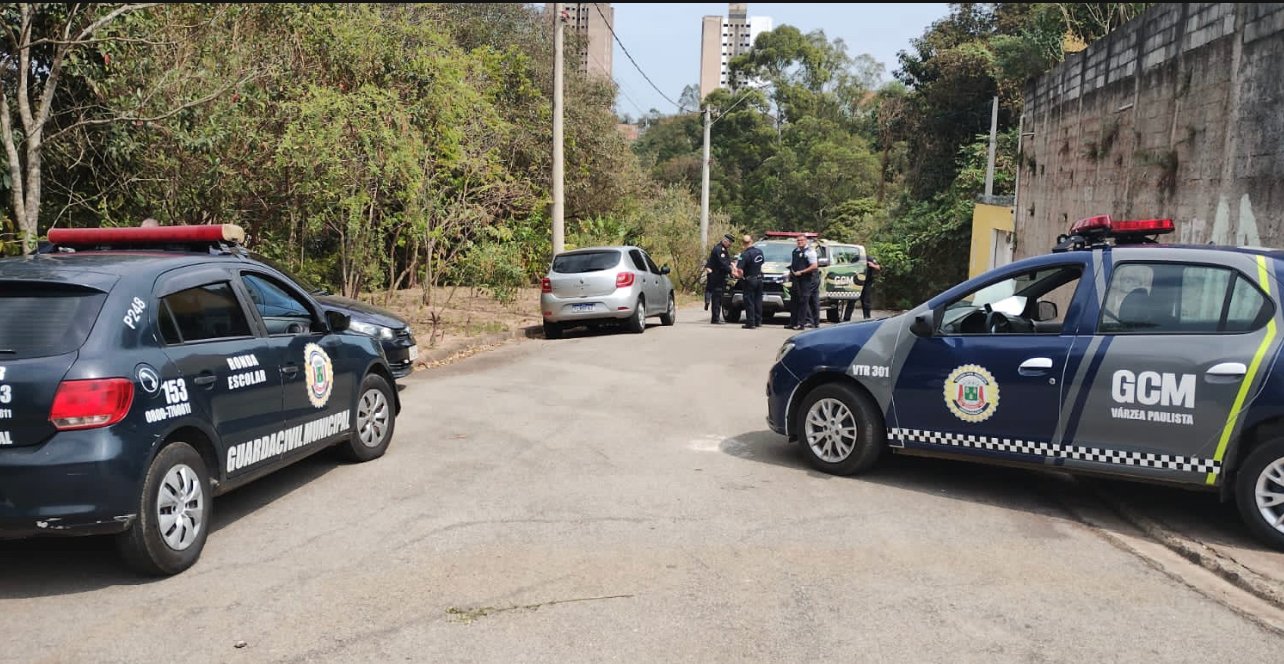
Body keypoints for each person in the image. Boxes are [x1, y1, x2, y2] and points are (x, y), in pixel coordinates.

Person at [787, 234, 819, 330]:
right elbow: (794, 264)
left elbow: (814, 266)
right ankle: (792, 323)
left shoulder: (810, 252)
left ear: (806, 241)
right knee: (794, 301)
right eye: (798, 240)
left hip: (806, 279)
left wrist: (802, 272)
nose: (799, 242)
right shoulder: (795, 251)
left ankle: (801, 324)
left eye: (801, 240)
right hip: (796, 279)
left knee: (803, 301)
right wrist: (791, 273)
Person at [733, 234, 765, 329]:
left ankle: (751, 323)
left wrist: (737, 274)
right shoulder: (759, 252)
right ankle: (758, 321)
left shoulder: (744, 255)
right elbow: (761, 263)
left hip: (750, 280)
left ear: (743, 243)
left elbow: (740, 270)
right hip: (759, 279)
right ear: (752, 241)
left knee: (749, 301)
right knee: (758, 301)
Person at [704, 233, 734, 324]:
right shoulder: (720, 249)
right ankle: (715, 318)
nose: (730, 245)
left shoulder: (723, 249)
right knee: (717, 298)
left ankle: (715, 314)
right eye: (729, 243)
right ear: (725, 241)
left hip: (718, 276)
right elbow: (722, 263)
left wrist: (732, 265)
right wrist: (731, 271)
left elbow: (727, 262)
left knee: (718, 297)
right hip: (717, 276)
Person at [843, 255, 882, 321]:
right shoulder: (855, 258)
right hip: (856, 283)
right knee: (851, 300)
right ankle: (846, 318)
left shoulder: (869, 258)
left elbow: (878, 267)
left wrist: (872, 265)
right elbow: (849, 267)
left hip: (866, 282)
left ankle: (867, 317)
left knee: (866, 301)